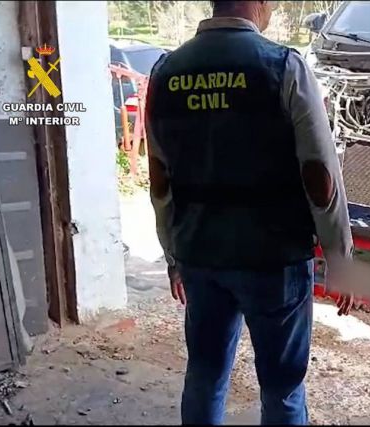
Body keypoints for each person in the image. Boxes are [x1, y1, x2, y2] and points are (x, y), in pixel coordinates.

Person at [144, 1, 354, 424]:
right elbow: (320, 178)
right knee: (282, 388)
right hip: (273, 260)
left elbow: (160, 182)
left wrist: (173, 258)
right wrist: (340, 258)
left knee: (204, 376)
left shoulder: (165, 74)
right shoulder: (283, 67)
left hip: (201, 256)